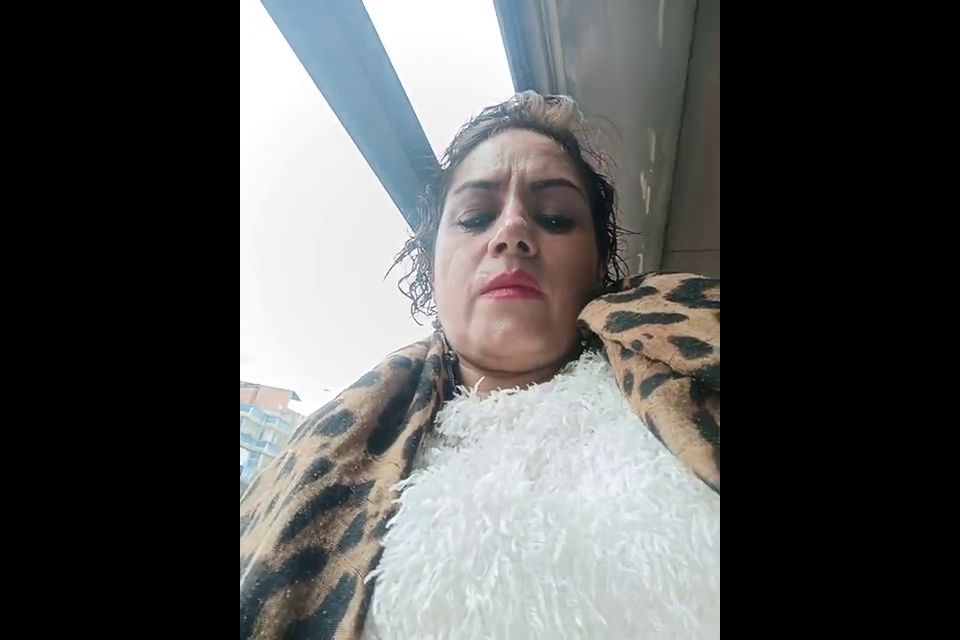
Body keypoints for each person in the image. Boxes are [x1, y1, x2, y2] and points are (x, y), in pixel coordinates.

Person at [240, 91, 720, 640]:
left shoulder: (696, 363)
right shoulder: (313, 461)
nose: (512, 231)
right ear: (431, 268)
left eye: (555, 217)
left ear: (597, 268)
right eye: (474, 217)